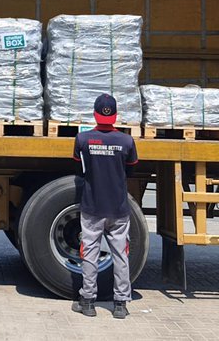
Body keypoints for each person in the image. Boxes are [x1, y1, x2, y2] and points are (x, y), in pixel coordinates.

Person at [71, 93, 138, 319]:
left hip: (92, 207)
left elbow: (77, 167)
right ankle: (120, 304)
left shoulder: (83, 139)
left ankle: (87, 301)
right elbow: (131, 169)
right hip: (118, 209)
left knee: (89, 254)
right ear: (116, 115)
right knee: (120, 255)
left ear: (95, 114)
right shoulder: (127, 141)